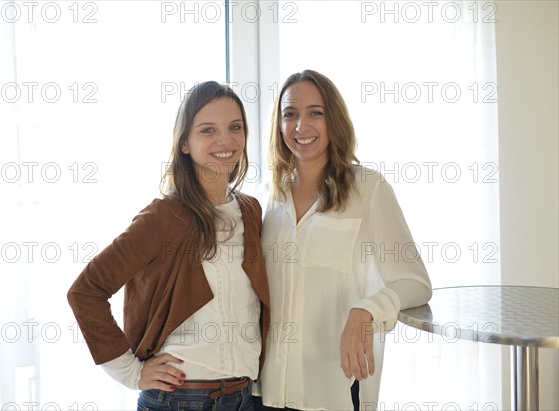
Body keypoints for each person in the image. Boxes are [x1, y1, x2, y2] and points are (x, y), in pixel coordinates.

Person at [67, 81, 270, 411]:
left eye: (235, 127)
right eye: (208, 130)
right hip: (179, 399)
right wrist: (130, 372)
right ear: (185, 144)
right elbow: (86, 291)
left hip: (244, 397)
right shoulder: (164, 216)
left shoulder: (251, 210)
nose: (226, 140)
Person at [255, 70, 432, 411]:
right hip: (265, 392)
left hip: (333, 389)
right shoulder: (266, 197)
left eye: (315, 113)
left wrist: (364, 311)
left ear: (333, 119)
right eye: (290, 114)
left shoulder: (368, 189)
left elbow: (415, 282)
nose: (301, 126)